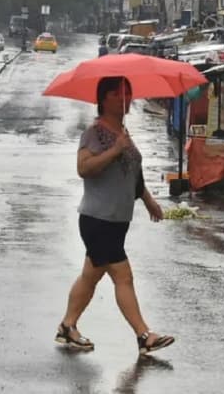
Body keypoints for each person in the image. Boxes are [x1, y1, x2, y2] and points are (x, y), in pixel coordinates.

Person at [56, 76, 175, 355]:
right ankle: (143, 335)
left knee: (90, 277)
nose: (128, 98)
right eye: (122, 93)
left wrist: (148, 200)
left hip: (117, 219)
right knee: (124, 277)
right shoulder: (95, 133)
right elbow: (84, 168)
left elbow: (133, 175)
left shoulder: (123, 132)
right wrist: (115, 149)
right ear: (106, 98)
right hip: (98, 219)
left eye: (130, 92)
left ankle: (67, 326)